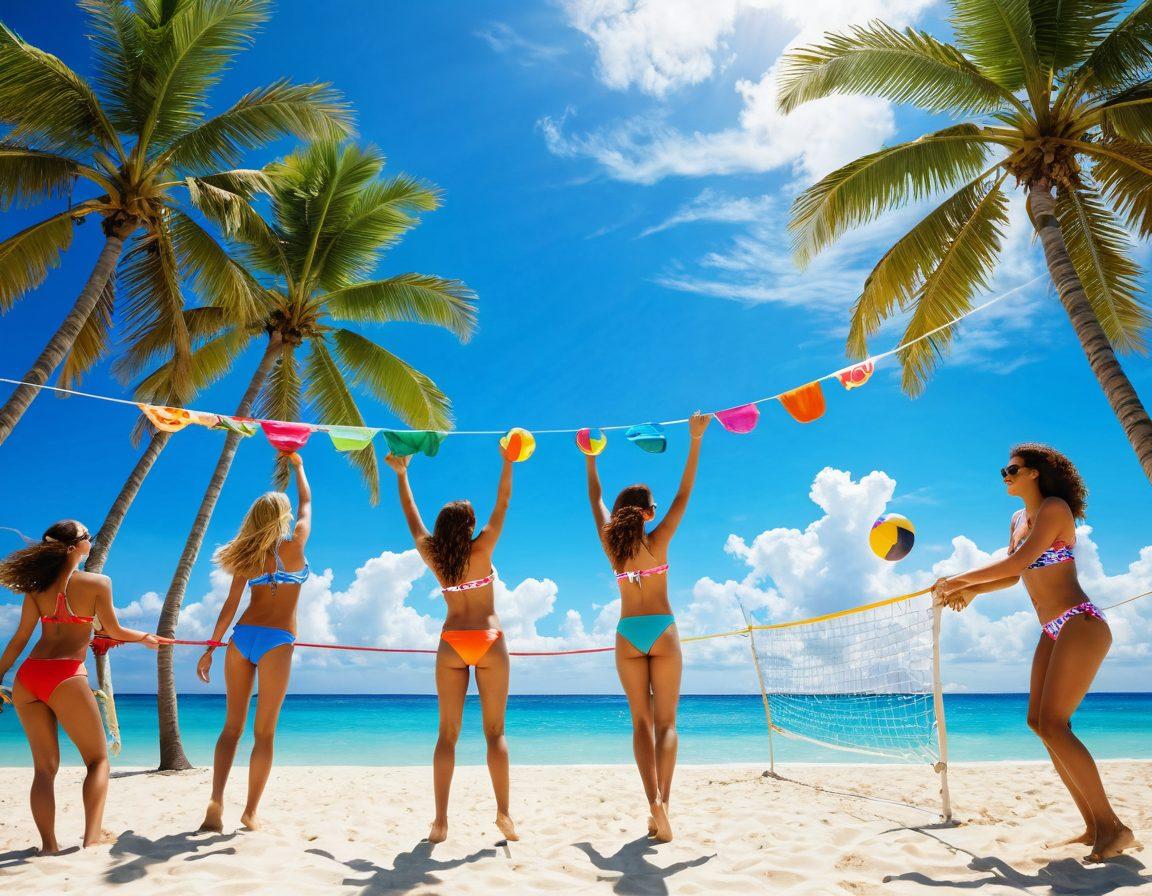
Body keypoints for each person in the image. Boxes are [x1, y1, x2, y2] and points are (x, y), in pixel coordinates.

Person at [934, 444, 1136, 862]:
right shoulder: (1016, 519)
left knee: (1055, 725)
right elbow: (1013, 577)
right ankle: (1093, 826)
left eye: (1012, 469)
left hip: (1081, 622)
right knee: (1038, 722)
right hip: (1053, 628)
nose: (1005, 475)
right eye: (1003, 469)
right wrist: (969, 591)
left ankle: (1114, 828)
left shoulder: (1055, 509)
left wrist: (956, 580)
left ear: (1036, 473)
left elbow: (1020, 561)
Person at [0, 521, 164, 853]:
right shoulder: (98, 583)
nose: (92, 540)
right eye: (87, 536)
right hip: (66, 676)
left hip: (29, 677)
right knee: (98, 760)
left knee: (44, 770)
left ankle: (48, 847)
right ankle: (91, 840)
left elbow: (19, 641)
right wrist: (146, 637)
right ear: (75, 547)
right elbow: (114, 629)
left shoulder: (36, 588)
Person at [585, 412, 710, 843]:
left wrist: (590, 458)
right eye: (654, 506)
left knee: (640, 722)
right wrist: (695, 439)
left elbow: (594, 495)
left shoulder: (609, 543)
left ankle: (652, 802)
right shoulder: (658, 541)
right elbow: (686, 490)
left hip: (628, 633)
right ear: (647, 512)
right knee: (667, 724)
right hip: (662, 629)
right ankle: (665, 804)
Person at [384, 450, 518, 845]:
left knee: (447, 735)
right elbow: (504, 501)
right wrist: (508, 462)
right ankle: (504, 814)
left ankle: (440, 821)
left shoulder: (433, 555)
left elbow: (410, 513)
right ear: (471, 525)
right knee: (495, 733)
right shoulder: (483, 548)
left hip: (451, 642)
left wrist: (402, 473)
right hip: (489, 639)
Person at [196, 452, 311, 833]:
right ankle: (249, 812)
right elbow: (308, 503)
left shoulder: (248, 556)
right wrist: (298, 467)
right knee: (264, 733)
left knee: (232, 728)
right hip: (277, 641)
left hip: (240, 639)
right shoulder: (294, 545)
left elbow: (231, 605)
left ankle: (216, 800)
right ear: (282, 517)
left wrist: (212, 647)